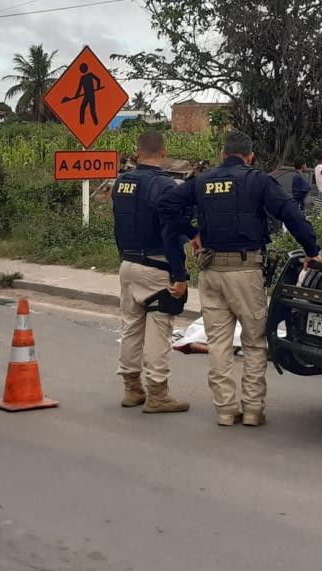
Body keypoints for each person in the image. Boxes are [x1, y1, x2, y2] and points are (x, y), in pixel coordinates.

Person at [158, 131, 320, 427]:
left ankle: (225, 410)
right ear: (249, 156)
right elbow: (289, 212)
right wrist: (312, 250)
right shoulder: (257, 180)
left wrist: (192, 232)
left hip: (210, 272)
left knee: (218, 343)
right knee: (254, 342)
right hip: (245, 271)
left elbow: (166, 205)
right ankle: (253, 410)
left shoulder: (203, 180)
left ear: (223, 155)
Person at [111, 131, 190, 414]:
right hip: (156, 266)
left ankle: (132, 389)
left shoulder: (121, 183)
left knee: (131, 327)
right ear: (164, 151)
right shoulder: (165, 186)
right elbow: (170, 233)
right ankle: (158, 393)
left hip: (127, 264)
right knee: (159, 331)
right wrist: (179, 275)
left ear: (137, 151)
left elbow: (117, 225)